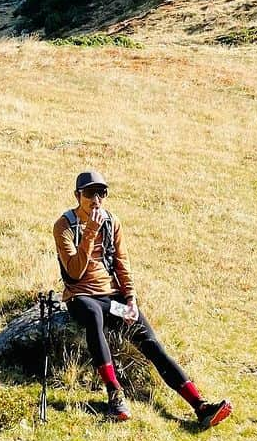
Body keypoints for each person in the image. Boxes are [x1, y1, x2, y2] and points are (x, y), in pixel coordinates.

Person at [54, 170, 231, 426]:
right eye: (90, 193)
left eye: (101, 193)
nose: (96, 199)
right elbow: (74, 270)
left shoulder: (112, 222)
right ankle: (115, 395)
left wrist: (131, 299)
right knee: (93, 315)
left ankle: (199, 405)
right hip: (81, 297)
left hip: (112, 297)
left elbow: (122, 264)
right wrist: (90, 230)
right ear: (77, 195)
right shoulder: (64, 226)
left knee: (150, 343)